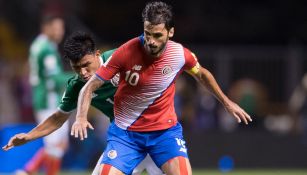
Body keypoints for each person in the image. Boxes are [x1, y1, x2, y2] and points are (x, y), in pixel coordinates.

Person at [71, 1, 252, 175]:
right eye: (147, 33)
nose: (151, 41)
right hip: (126, 136)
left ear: (170, 32)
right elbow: (90, 86)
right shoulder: (125, 52)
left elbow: (202, 74)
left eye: (157, 35)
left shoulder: (180, 54)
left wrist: (227, 103)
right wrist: (80, 117)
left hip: (164, 134)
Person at [2, 31, 164, 175]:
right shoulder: (76, 85)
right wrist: (29, 136)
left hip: (157, 134)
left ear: (97, 54)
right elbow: (58, 118)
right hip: (126, 140)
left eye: (86, 65)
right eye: (77, 68)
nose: (83, 73)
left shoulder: (119, 58)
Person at [13, 15, 70, 175]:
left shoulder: (40, 45)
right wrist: (78, 77)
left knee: (59, 144)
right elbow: (54, 77)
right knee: (55, 145)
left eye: (62, 28)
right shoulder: (46, 48)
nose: (60, 32)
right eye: (57, 28)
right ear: (46, 28)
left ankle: (28, 170)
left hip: (44, 98)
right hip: (48, 99)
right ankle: (27, 171)